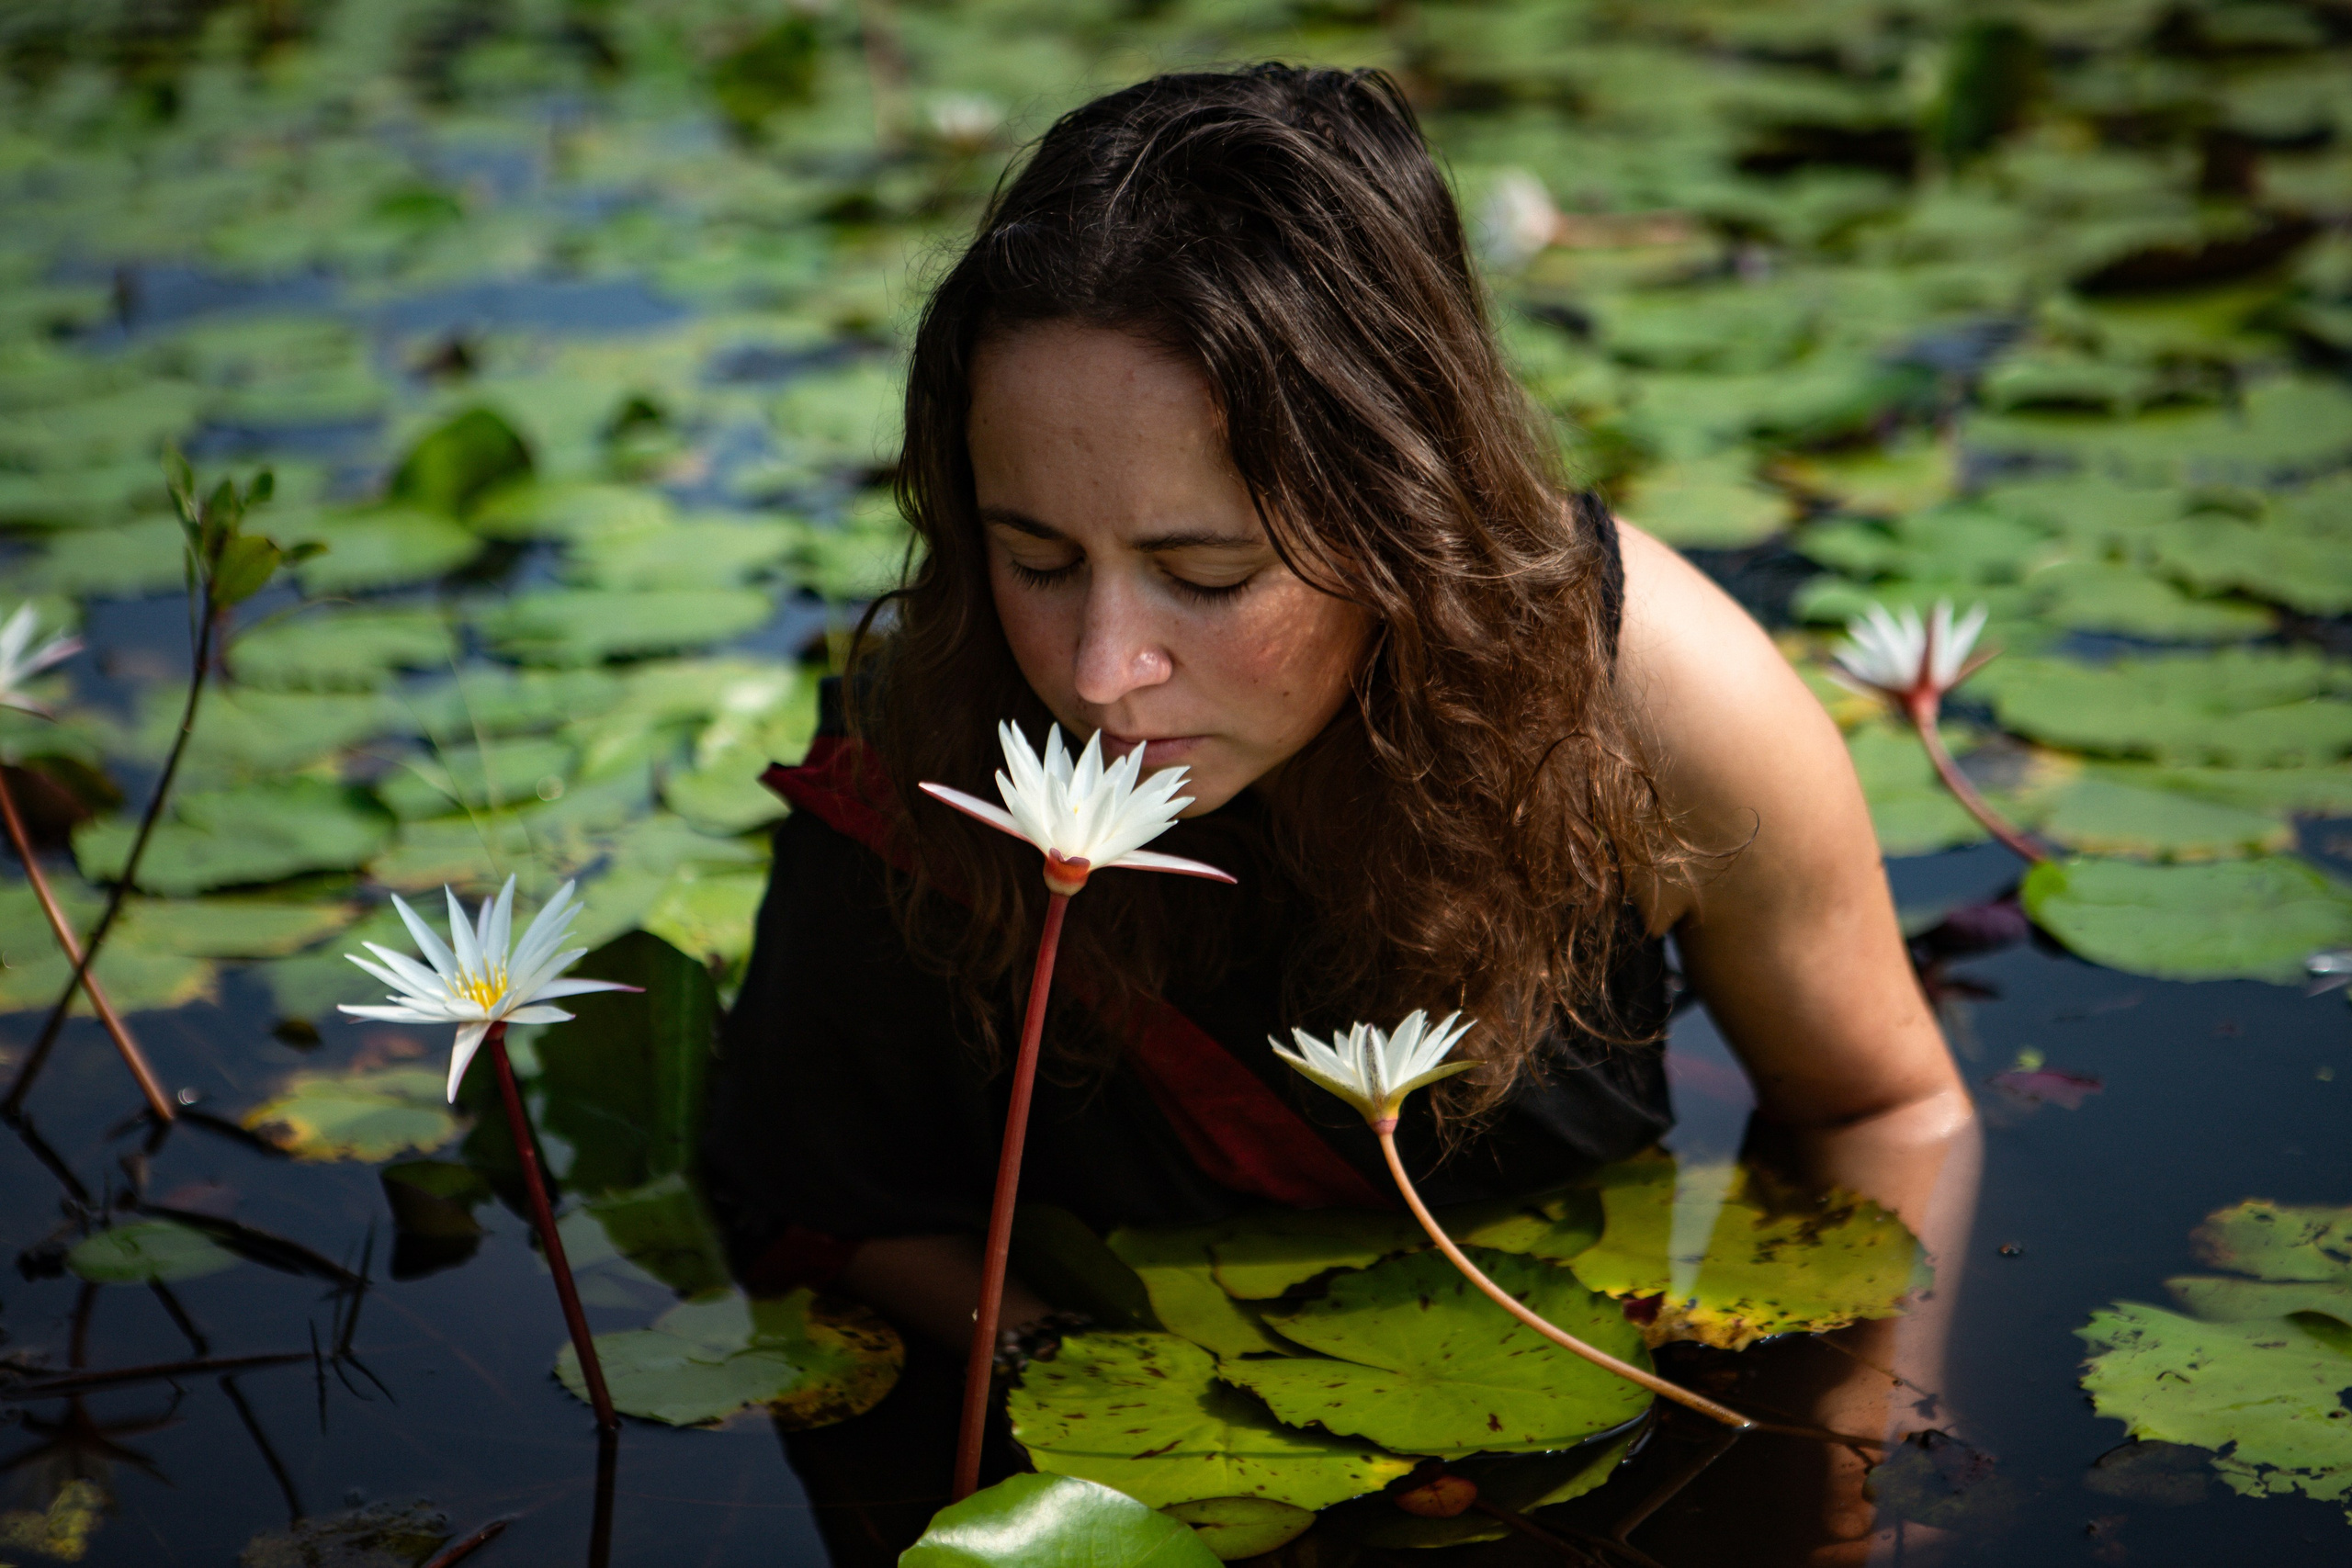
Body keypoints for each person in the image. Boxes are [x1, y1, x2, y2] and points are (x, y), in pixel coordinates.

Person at [703, 63, 1978, 1566]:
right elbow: (807, 1193)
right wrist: (1091, 1372)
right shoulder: (926, 740)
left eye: (1210, 573)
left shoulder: (1654, 710)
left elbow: (1883, 1107)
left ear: (1403, 513)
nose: (1104, 671)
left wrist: (1833, 1471)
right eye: (1036, 557)